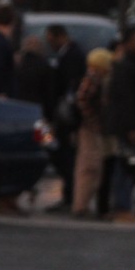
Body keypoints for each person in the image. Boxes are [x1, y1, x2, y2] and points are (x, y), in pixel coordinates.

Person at [106, 24, 135, 221]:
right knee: (126, 164)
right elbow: (125, 99)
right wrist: (131, 127)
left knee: (133, 164)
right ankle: (121, 206)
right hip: (127, 124)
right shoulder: (125, 67)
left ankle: (123, 204)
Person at [44, 23, 85, 211]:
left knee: (63, 155)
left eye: (51, 40)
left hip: (65, 119)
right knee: (59, 152)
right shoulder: (69, 54)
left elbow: (69, 87)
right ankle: (69, 194)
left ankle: (70, 196)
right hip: (63, 117)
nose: (49, 44)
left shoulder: (71, 56)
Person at [71, 47, 113, 217]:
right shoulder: (93, 79)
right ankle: (81, 206)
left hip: (89, 127)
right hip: (89, 128)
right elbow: (82, 100)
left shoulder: (93, 78)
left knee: (89, 167)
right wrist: (92, 120)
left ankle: (82, 204)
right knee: (90, 167)